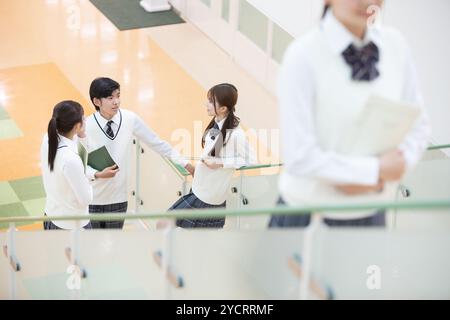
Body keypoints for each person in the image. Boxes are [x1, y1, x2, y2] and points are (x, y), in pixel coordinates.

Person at [269, 0, 431, 228]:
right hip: (307, 216)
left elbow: (419, 124)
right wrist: (375, 171)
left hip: (373, 214)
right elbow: (299, 156)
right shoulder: (303, 55)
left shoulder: (396, 45)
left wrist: (385, 173)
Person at [83, 77, 194, 229]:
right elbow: (79, 163)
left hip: (118, 200)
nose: (116, 101)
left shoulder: (130, 119)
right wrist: (97, 174)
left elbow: (157, 143)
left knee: (113, 244)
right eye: (110, 98)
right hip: (92, 199)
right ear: (97, 102)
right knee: (92, 247)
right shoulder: (86, 126)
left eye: (118, 96)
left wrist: (186, 164)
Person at [167, 83, 256, 229]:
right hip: (200, 189)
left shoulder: (236, 134)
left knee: (166, 225)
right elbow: (212, 151)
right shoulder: (217, 124)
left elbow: (251, 160)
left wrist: (221, 163)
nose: (206, 104)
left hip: (208, 197)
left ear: (223, 108)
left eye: (210, 101)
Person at [40, 100, 93, 230]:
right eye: (83, 117)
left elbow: (78, 152)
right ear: (75, 126)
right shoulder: (70, 159)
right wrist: (90, 179)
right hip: (72, 226)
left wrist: (82, 135)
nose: (85, 119)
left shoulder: (48, 138)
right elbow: (85, 199)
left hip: (51, 215)